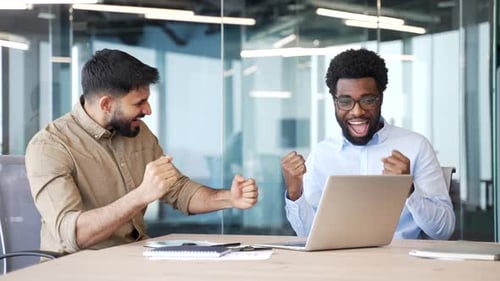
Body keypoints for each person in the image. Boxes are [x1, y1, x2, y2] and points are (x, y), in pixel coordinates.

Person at [25, 49, 259, 255]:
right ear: (106, 104)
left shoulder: (137, 132)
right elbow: (73, 235)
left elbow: (178, 190)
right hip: (77, 267)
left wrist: (230, 198)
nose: (148, 110)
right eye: (139, 103)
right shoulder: (50, 147)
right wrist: (141, 195)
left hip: (135, 257)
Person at [281, 48, 455, 240]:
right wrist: (295, 192)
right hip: (337, 265)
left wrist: (409, 188)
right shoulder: (322, 154)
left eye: (367, 100)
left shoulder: (415, 146)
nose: (357, 111)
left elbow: (443, 231)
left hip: (400, 264)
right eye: (345, 101)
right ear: (334, 101)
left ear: (380, 98)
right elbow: (307, 234)